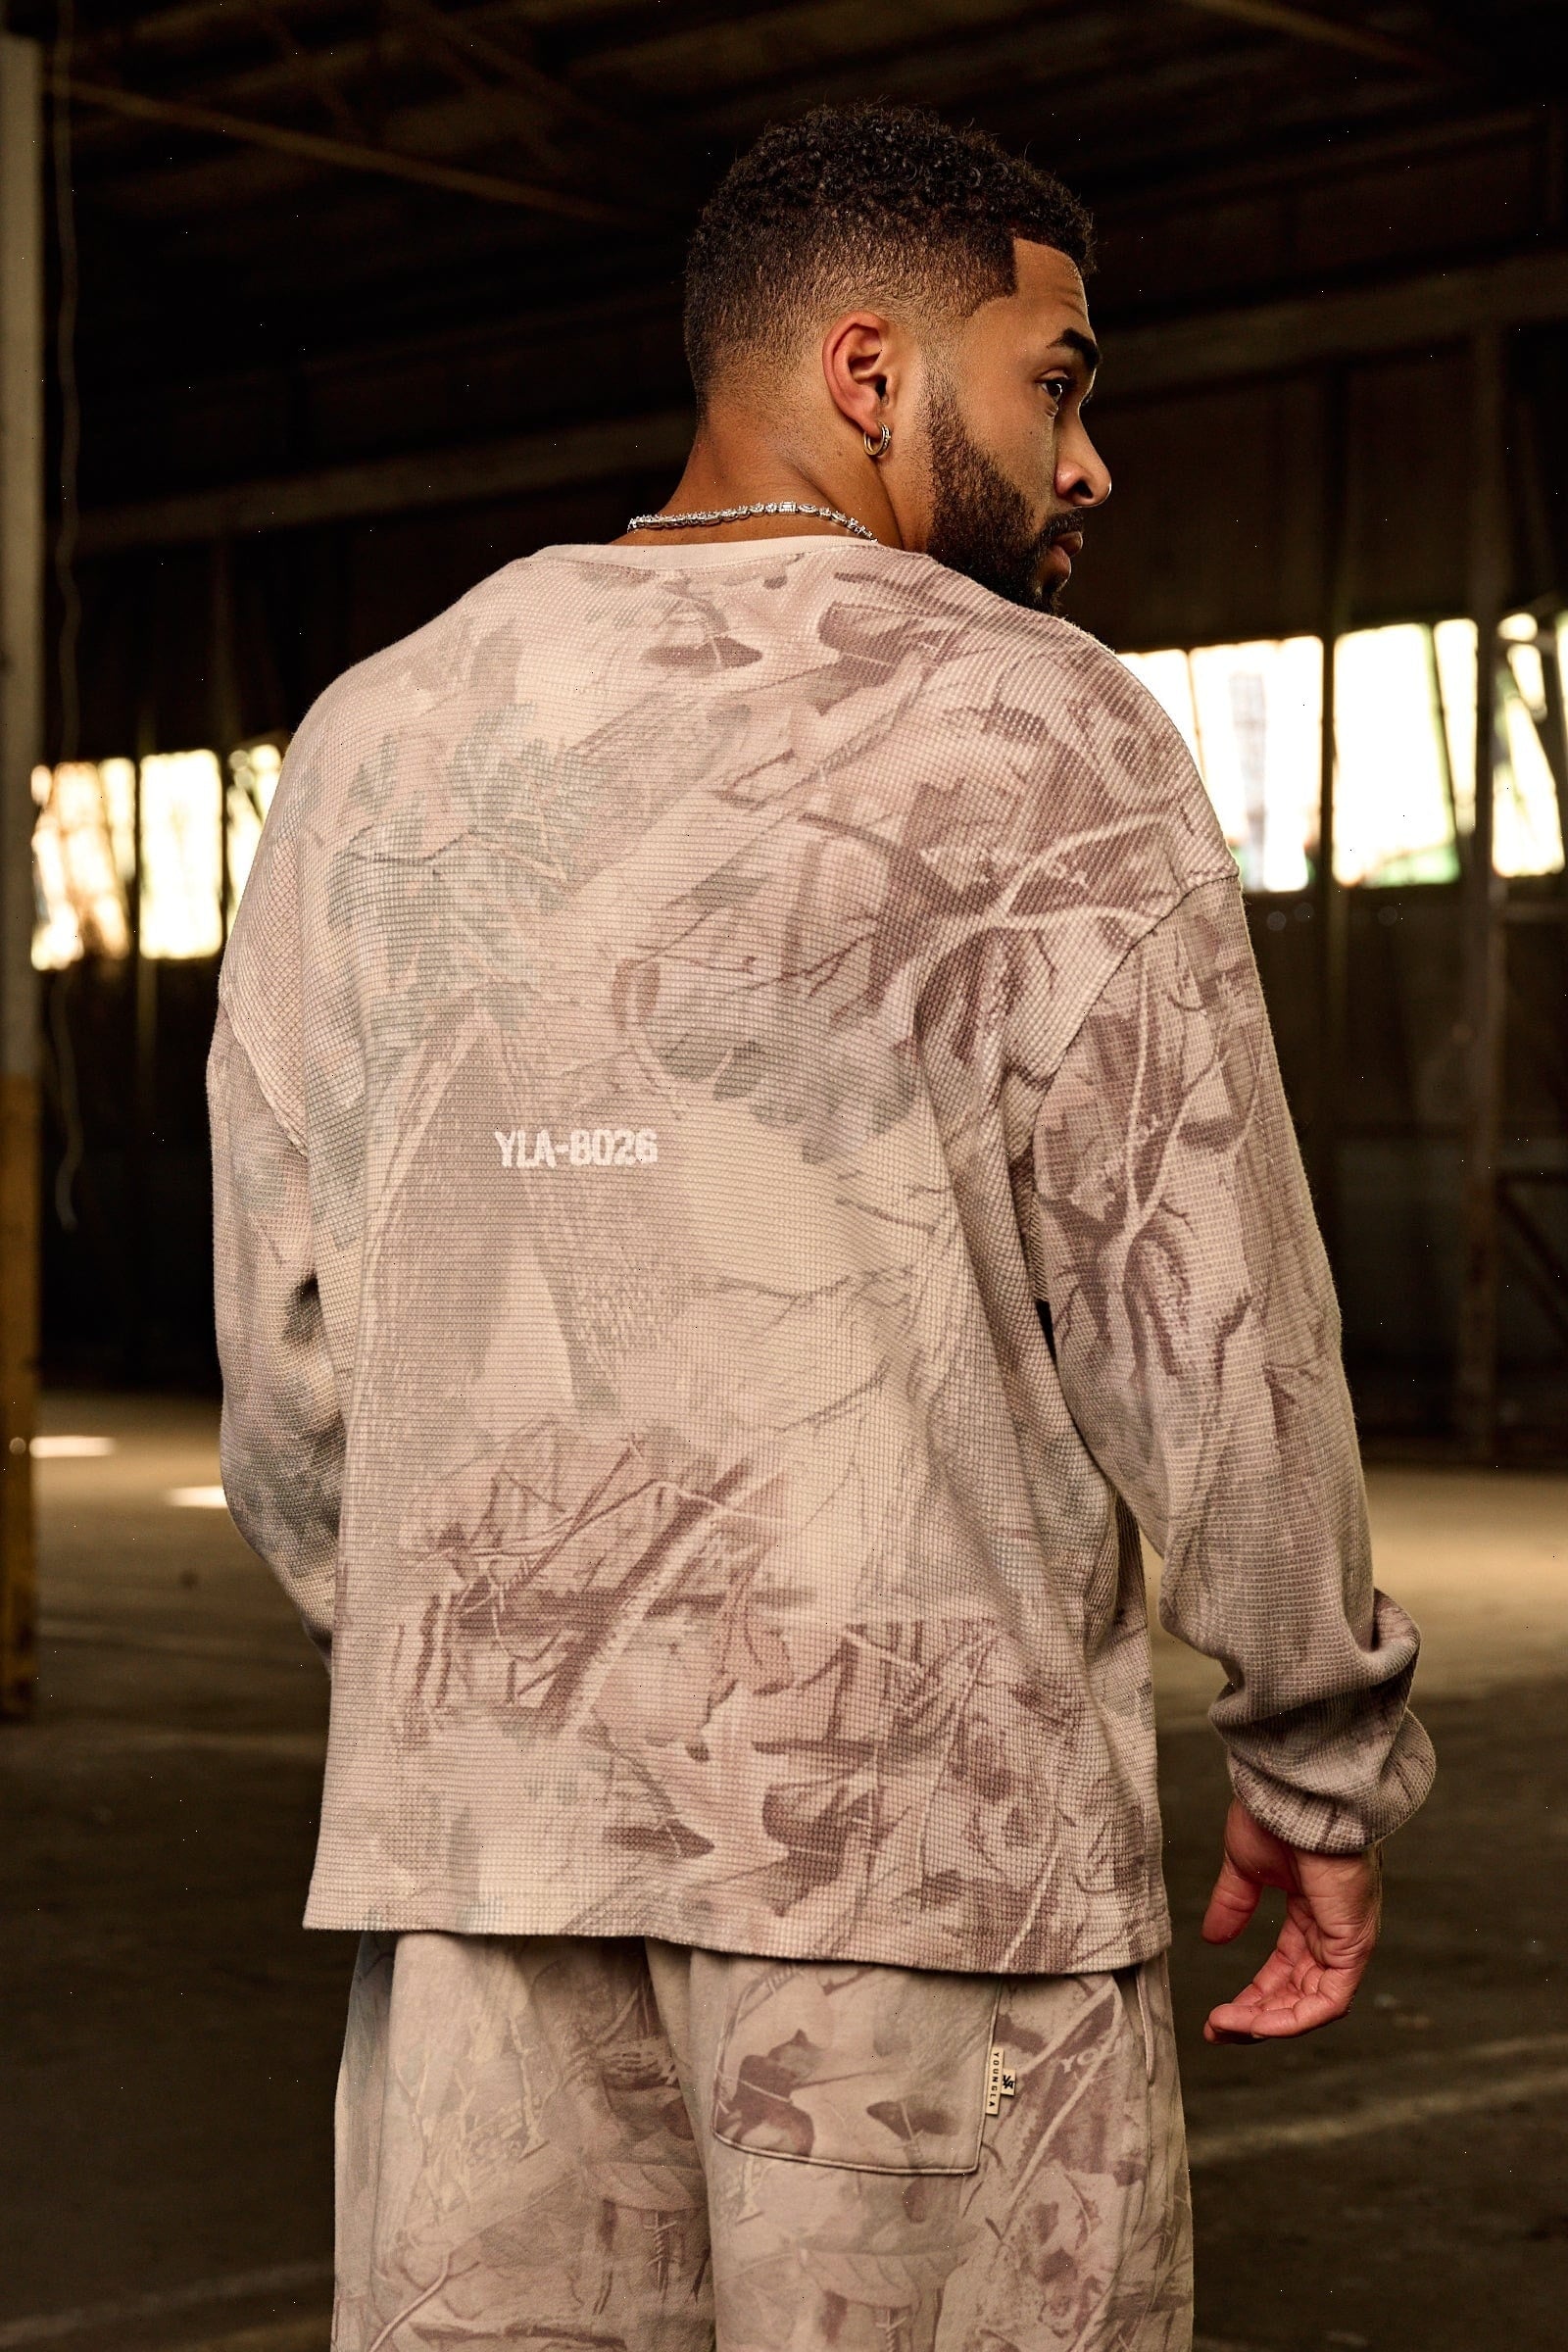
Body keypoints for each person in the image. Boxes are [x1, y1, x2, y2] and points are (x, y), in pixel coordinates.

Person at [207, 99, 1434, 2352]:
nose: (1084, 463)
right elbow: (1205, 1315)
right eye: (1052, 385)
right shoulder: (1039, 733)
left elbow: (289, 1368)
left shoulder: (376, 738)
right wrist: (1311, 1747)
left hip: (481, 1869)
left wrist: (503, 1690)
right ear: (869, 371)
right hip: (922, 1866)